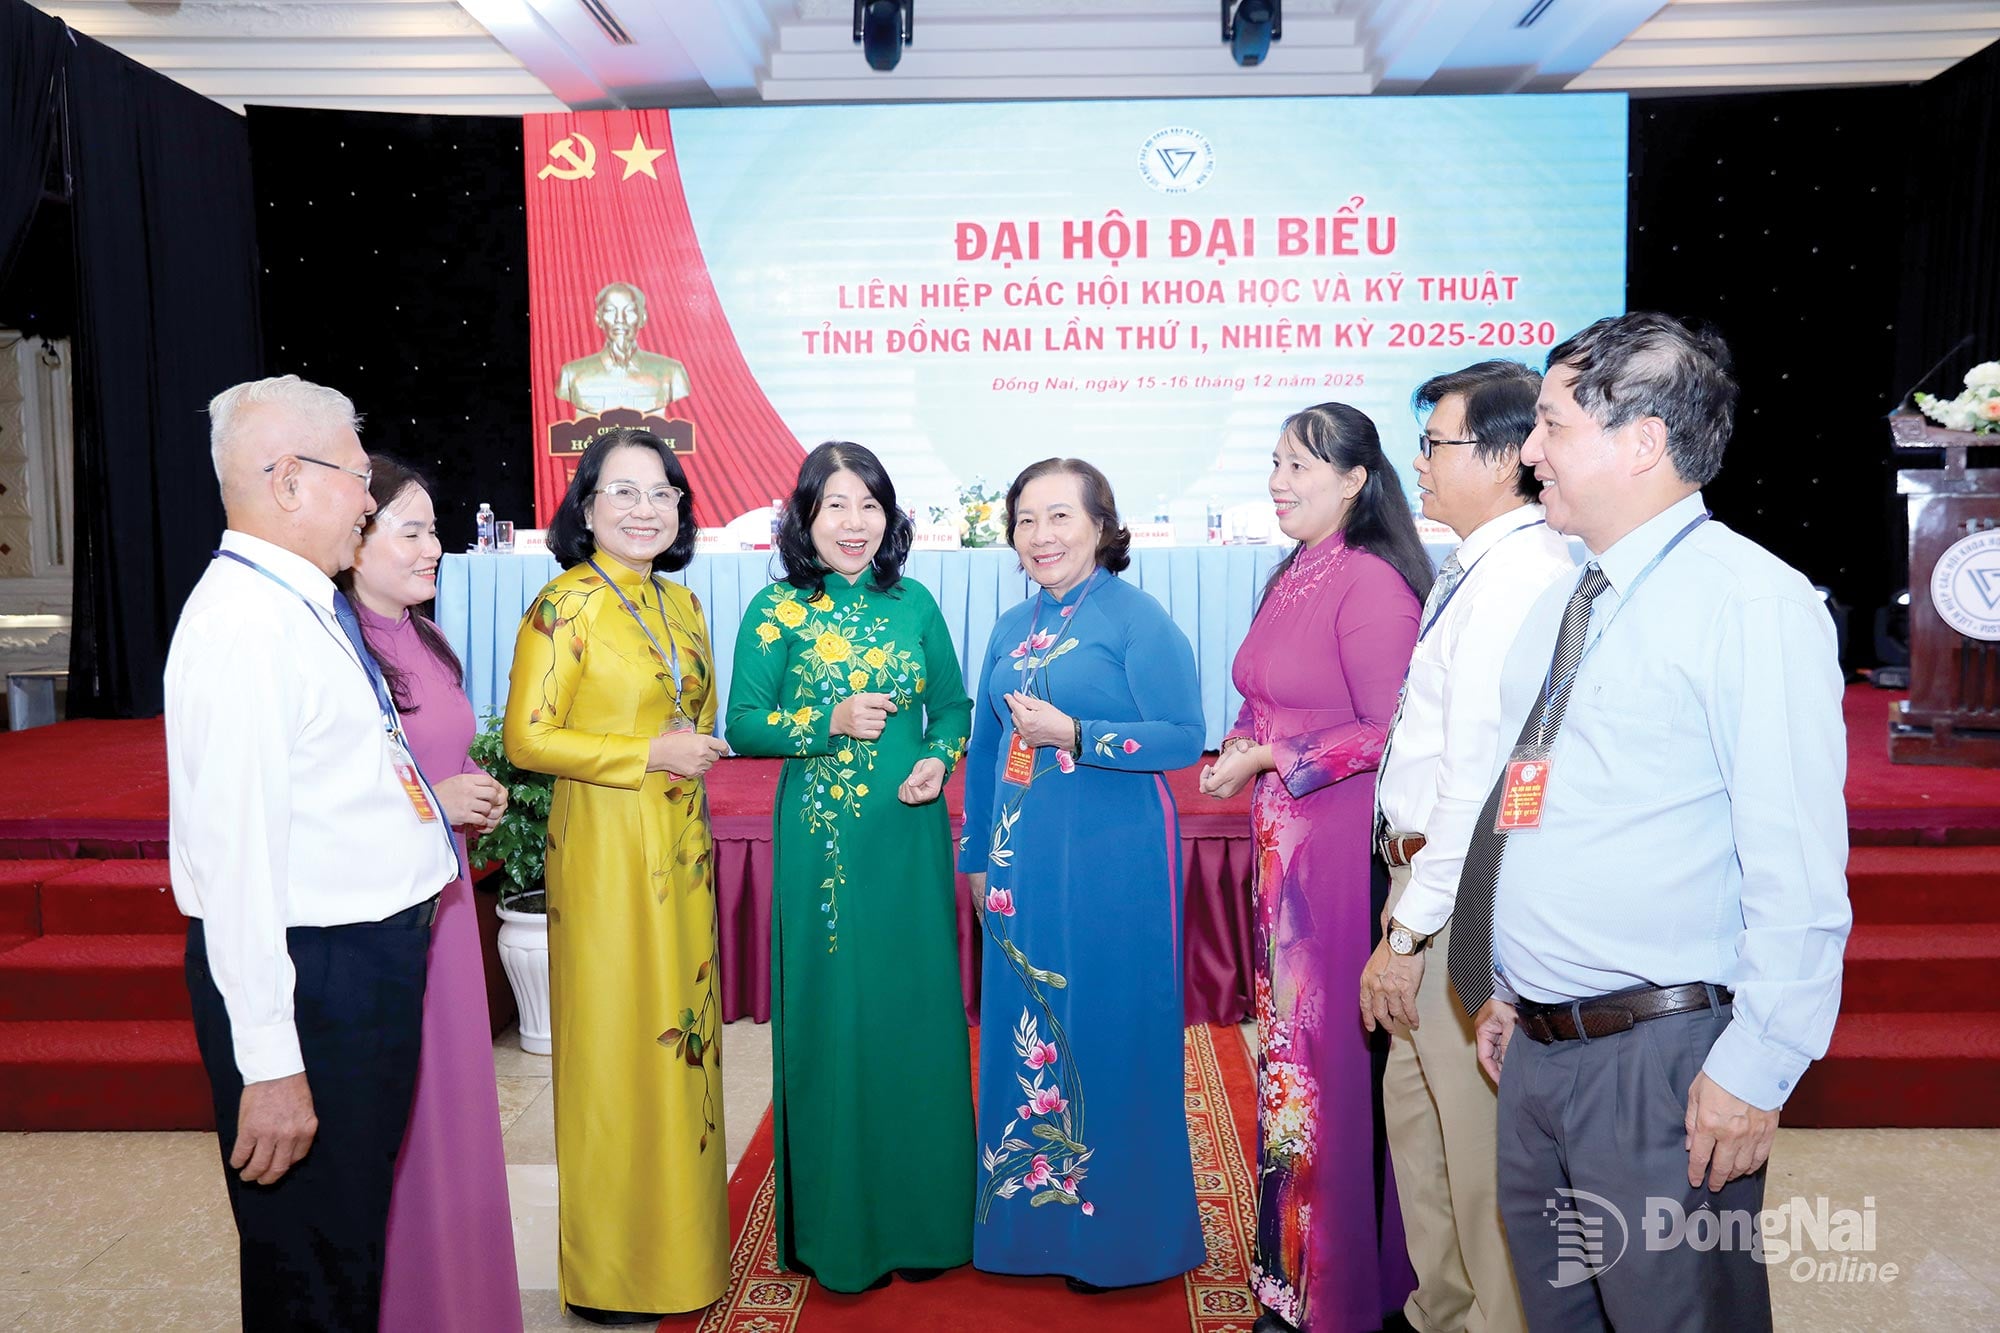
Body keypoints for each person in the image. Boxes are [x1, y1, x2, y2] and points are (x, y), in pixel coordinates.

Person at [1456, 313, 1850, 1331]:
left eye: (1547, 424)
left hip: (1663, 1063)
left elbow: (1796, 866)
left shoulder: (1748, 603)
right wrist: (1507, 983)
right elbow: (1542, 806)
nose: (1529, 451)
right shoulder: (1566, 595)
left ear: (1640, 442)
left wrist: (1754, 1069)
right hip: (1541, 1046)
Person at [168, 375, 460, 1331]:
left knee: (341, 1252)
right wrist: (270, 1065)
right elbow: (236, 867)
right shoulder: (244, 626)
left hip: (353, 969)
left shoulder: (294, 604)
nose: (370, 500)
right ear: (289, 479)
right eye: (355, 477)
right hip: (315, 982)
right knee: (315, 1271)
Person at [1198, 402, 1430, 1333]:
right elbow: (1271, 697)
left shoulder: (1371, 582)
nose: (1280, 480)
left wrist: (1271, 759)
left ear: (1356, 480)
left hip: (1333, 856)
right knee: (1289, 1064)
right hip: (1279, 858)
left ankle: (1336, 1290)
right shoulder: (1298, 568)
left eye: (1301, 465)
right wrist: (1240, 746)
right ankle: (1289, 1276)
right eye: (1276, 462)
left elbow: (1390, 728)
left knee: (1322, 1067)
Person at [724, 441, 975, 1292]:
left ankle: (926, 1219)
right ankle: (842, 1228)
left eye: (869, 504)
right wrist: (825, 718)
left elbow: (953, 705)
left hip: (908, 833)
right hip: (825, 850)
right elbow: (745, 723)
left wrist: (940, 758)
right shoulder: (775, 609)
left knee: (916, 1016)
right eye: (836, 504)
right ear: (804, 516)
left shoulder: (914, 604)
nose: (854, 522)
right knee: (838, 1019)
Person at [959, 458, 1207, 1291]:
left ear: (1102, 524)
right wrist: (973, 857)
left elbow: (1181, 733)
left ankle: (1121, 1240)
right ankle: (1028, 1230)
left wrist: (1081, 733)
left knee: (1108, 1029)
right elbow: (988, 748)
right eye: (1026, 520)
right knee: (1029, 1034)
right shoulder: (1007, 626)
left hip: (1114, 862)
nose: (1042, 536)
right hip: (1020, 865)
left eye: (1060, 517)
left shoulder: (1138, 619)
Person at [503, 427, 732, 1324]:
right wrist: (648, 751)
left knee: (683, 1043)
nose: (646, 509)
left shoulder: (680, 604)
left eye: (662, 493)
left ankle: (683, 1254)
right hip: (603, 849)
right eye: (624, 492)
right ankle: (613, 1272)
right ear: (586, 505)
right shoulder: (564, 605)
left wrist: (678, 752)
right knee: (614, 1049)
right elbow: (528, 736)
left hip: (680, 845)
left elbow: (696, 716)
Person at [1362, 362, 1573, 1333]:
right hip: (1422, 874)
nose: (1420, 463)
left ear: (1502, 457)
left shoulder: (1520, 574)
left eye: (1437, 443)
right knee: (1421, 1124)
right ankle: (1437, 1310)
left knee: (1474, 1142)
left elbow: (1478, 779)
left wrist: (1407, 932)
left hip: (1455, 896)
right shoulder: (1474, 564)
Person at [338, 456, 524, 1333]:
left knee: (453, 1111)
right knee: (408, 1119)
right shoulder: (340, 651)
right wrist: (435, 800)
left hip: (444, 902)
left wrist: (468, 793)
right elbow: (333, 789)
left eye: (432, 529)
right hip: (391, 915)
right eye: (409, 530)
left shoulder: (424, 636)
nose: (434, 548)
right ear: (354, 541)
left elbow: (435, 754)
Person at [556, 281, 693, 414]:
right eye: (610, 311)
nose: (620, 319)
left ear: (642, 318)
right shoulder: (571, 375)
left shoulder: (671, 373)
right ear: (598, 318)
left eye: (629, 311)